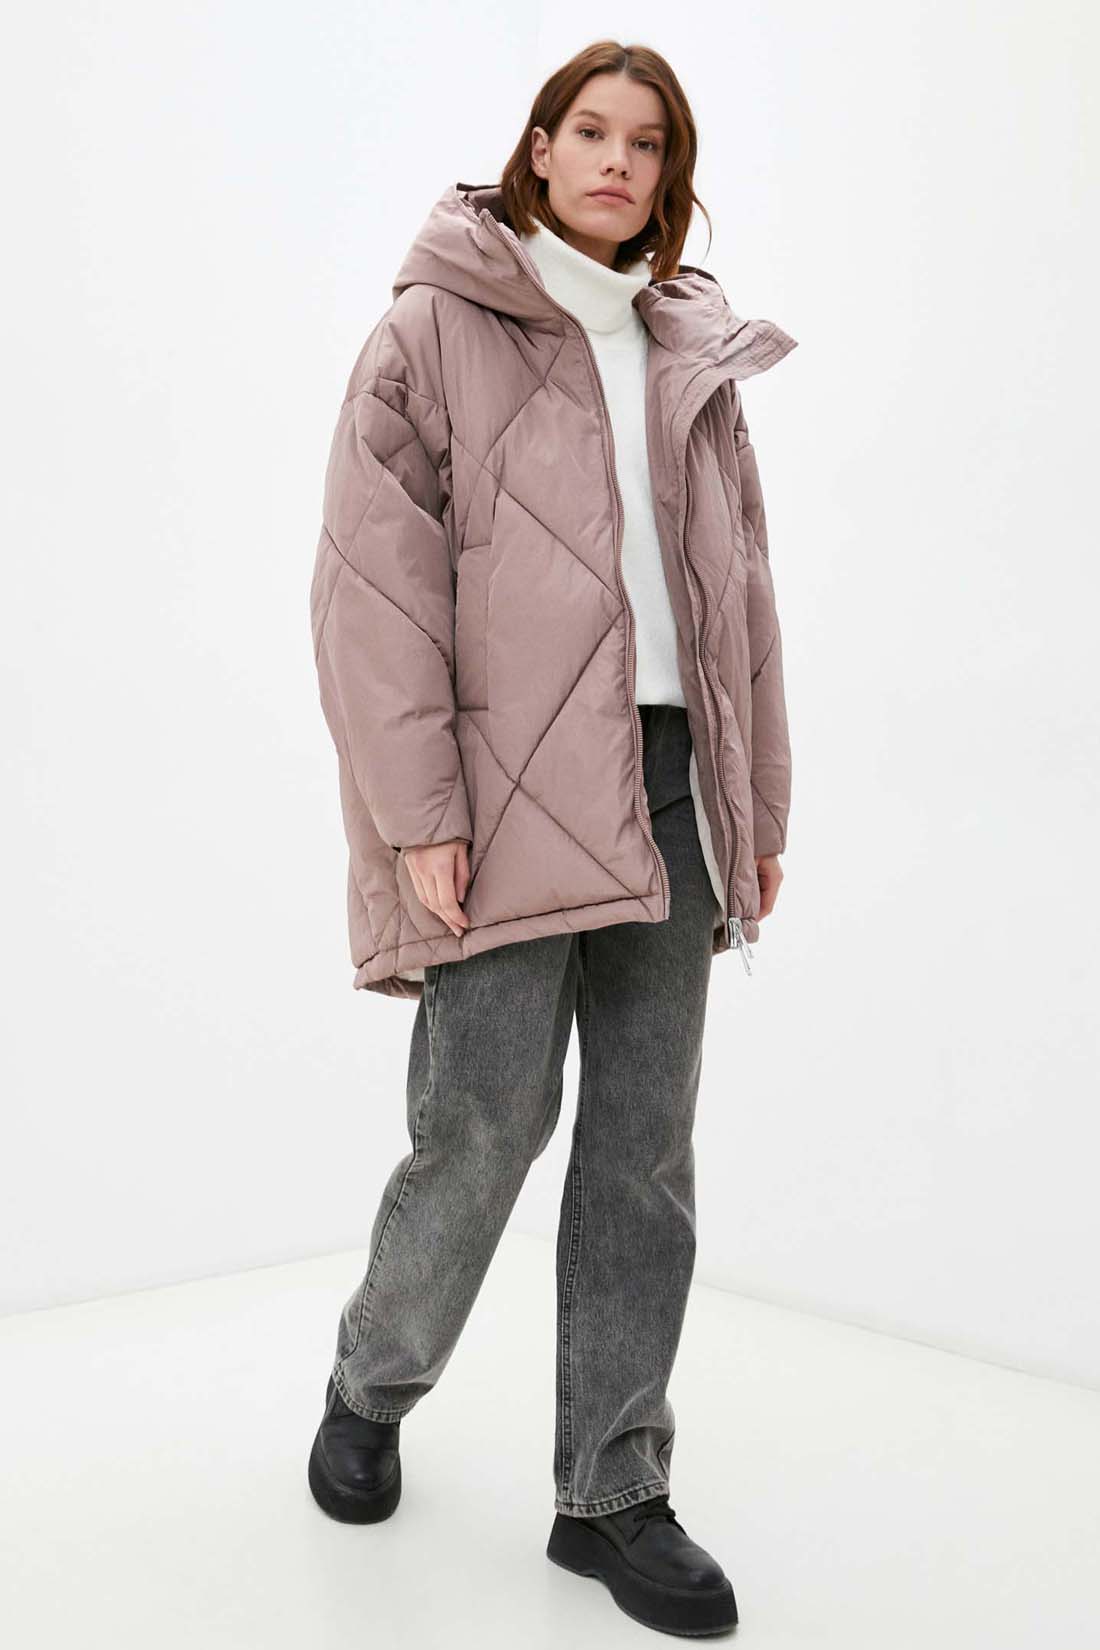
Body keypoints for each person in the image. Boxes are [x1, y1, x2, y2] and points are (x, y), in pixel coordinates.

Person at [306, 38, 797, 1638]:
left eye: (647, 144)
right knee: (484, 1123)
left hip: (671, 783)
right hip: (500, 788)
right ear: (537, 146)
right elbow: (369, 593)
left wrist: (756, 799)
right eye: (591, 130)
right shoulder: (432, 329)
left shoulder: (688, 347)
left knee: (645, 1144)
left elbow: (740, 595)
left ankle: (612, 1490)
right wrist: (418, 817)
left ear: (668, 177)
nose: (616, 162)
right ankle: (373, 1382)